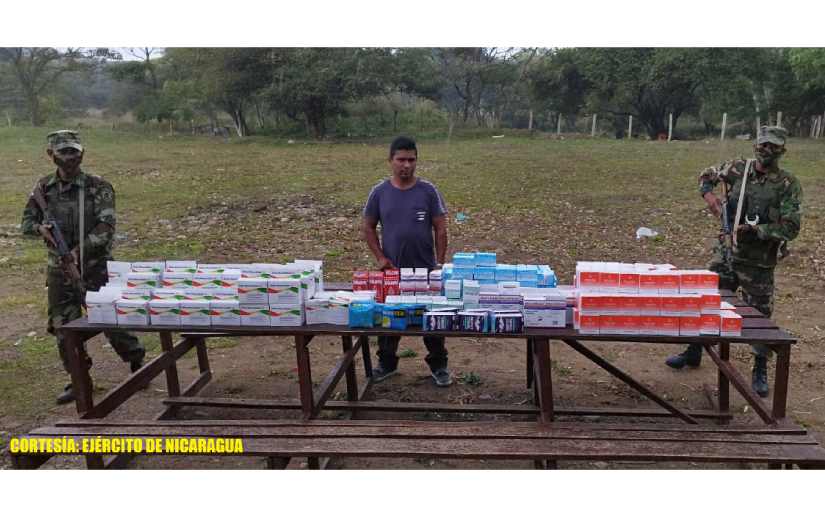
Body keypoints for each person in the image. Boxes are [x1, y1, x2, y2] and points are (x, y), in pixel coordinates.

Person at [665, 126, 803, 398]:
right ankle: (694, 350)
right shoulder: (738, 169)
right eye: (763, 145)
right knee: (708, 301)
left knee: (760, 318)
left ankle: (759, 367)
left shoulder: (788, 184)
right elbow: (706, 176)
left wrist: (757, 230)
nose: (767, 150)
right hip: (726, 254)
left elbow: (791, 227)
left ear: (782, 151)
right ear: (755, 146)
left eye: (773, 147)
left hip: (758, 263)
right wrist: (710, 197)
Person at [21, 130, 145, 404]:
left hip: (96, 268)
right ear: (51, 155)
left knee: (111, 320)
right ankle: (78, 377)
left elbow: (106, 228)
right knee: (63, 328)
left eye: (74, 152)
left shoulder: (98, 186)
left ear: (82, 153)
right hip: (59, 273)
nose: (70, 158)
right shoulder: (43, 189)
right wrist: (40, 229)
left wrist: (78, 252)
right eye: (64, 152)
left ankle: (136, 360)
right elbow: (26, 223)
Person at [362, 136, 452, 387]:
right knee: (389, 319)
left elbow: (440, 228)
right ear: (390, 160)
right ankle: (387, 364)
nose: (406, 165)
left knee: (432, 320)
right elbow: (368, 227)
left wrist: (439, 264)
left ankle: (439, 366)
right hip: (392, 272)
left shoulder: (428, 191)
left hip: (426, 271)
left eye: (411, 160)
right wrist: (381, 258)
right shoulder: (379, 192)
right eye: (401, 160)